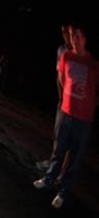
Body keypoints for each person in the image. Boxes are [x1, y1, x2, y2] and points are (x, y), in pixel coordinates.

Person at [33, 22, 98, 209]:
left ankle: (63, 191)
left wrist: (91, 104)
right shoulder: (66, 56)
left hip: (84, 120)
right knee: (59, 151)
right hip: (66, 113)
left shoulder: (93, 64)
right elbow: (61, 77)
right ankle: (48, 179)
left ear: (85, 39)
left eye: (78, 36)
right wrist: (65, 98)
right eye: (71, 35)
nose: (74, 39)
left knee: (75, 159)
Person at [36, 24, 73, 172]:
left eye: (67, 31)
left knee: (70, 136)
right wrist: (61, 97)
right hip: (63, 99)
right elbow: (59, 75)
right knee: (58, 132)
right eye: (63, 31)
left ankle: (64, 169)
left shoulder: (80, 52)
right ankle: (53, 162)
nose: (65, 34)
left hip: (75, 102)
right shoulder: (62, 50)